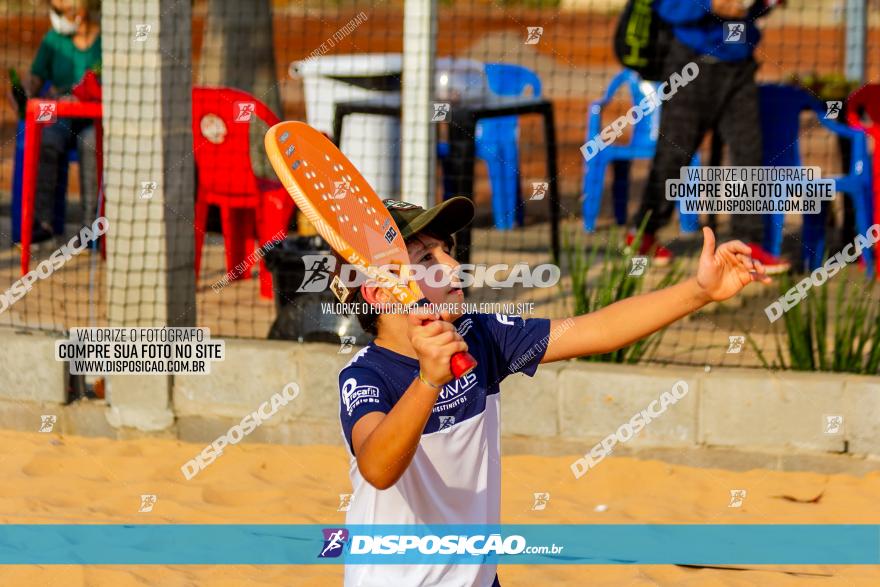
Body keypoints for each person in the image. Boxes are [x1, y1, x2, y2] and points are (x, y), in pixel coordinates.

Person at [337, 196, 770, 586]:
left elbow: (594, 330)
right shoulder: (366, 377)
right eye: (425, 259)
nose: (452, 267)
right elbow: (378, 467)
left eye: (447, 250)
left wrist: (699, 292)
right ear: (379, 293)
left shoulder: (478, 335)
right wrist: (429, 381)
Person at [628, 0, 790, 273]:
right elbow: (668, 7)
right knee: (674, 152)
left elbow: (751, 9)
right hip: (690, 64)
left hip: (739, 66)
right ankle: (642, 233)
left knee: (749, 151)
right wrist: (710, 4)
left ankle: (747, 246)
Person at [22, 0, 101, 244]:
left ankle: (90, 228)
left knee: (91, 145)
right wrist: (24, 89)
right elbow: (34, 79)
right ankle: (44, 224)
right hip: (60, 115)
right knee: (47, 139)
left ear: (81, 11)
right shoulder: (52, 40)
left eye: (61, 11)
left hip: (94, 118)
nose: (56, 16)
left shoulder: (106, 40)